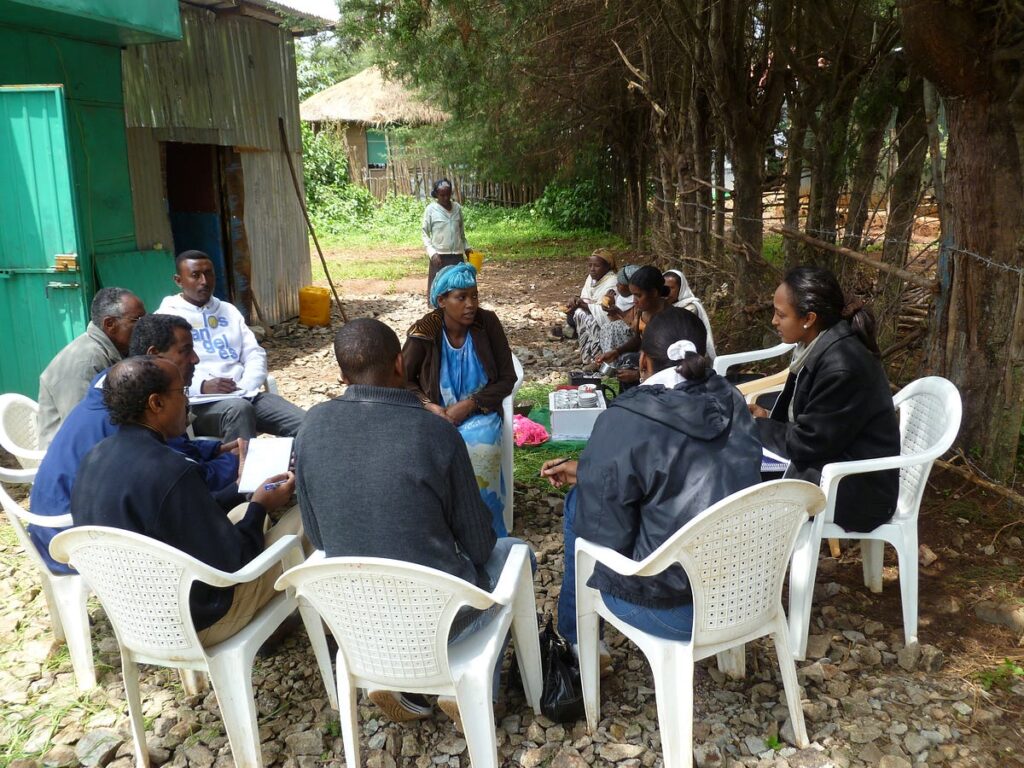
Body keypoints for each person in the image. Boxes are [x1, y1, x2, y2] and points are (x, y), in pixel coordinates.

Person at [295, 318, 533, 724]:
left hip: (357, 619)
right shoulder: (437, 434)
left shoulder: (310, 427)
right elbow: (479, 545)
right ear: (401, 365)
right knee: (519, 555)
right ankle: (476, 687)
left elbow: (317, 536)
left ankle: (393, 676)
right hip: (439, 619)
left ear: (340, 374)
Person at [542, 307, 761, 654]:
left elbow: (604, 534)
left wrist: (594, 482)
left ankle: (577, 641)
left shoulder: (627, 416)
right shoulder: (732, 398)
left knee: (576, 505)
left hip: (673, 610)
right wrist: (590, 471)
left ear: (643, 362)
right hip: (746, 593)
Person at [70, 356, 299, 645]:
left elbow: (179, 517)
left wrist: (242, 491)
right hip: (199, 620)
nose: (188, 403)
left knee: (240, 508)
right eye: (182, 393)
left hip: (134, 617)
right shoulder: (170, 468)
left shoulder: (96, 455)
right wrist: (261, 506)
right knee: (300, 519)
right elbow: (235, 562)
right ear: (156, 403)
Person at [29, 314, 244, 575]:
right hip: (78, 541)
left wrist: (216, 449)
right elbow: (188, 482)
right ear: (156, 402)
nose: (195, 359)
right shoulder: (133, 430)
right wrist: (242, 468)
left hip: (62, 530)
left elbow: (179, 454)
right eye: (185, 351)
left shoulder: (122, 392)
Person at [751, 266, 900, 532]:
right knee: (737, 460)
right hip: (832, 465)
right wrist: (763, 419)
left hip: (856, 491)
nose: (774, 321)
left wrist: (755, 427)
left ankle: (751, 560)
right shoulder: (815, 346)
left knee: (736, 470)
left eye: (781, 315)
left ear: (808, 318)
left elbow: (809, 442)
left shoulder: (842, 365)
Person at [403, 263, 517, 537]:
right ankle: (443, 532)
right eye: (461, 297)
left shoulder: (487, 323)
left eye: (474, 296)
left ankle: (487, 532)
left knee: (482, 448)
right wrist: (429, 406)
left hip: (481, 412)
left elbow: (506, 378)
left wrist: (470, 404)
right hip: (435, 414)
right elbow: (401, 380)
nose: (470, 304)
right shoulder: (424, 332)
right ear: (441, 301)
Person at [157, 250, 306, 440]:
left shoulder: (228, 310)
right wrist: (201, 386)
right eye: (195, 275)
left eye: (209, 273)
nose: (204, 281)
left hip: (245, 395)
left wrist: (246, 385)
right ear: (179, 280)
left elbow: (254, 354)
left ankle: (299, 468)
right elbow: (164, 370)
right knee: (239, 411)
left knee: (307, 423)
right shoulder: (166, 318)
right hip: (198, 404)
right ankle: (239, 469)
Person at [37, 287, 146, 446]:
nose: (144, 327)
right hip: (76, 457)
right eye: (137, 320)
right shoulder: (84, 363)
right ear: (110, 324)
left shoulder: (116, 350)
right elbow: (83, 429)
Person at [597, 265, 671, 387]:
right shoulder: (643, 310)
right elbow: (638, 340)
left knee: (629, 363)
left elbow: (668, 359)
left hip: (662, 368)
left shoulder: (668, 317)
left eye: (638, 295)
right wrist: (615, 352)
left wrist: (638, 375)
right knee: (625, 360)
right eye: (633, 295)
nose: (634, 301)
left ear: (653, 293)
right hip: (646, 359)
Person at [559, 249, 619, 363]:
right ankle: (585, 354)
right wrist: (575, 302)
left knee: (590, 320)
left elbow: (604, 309)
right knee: (578, 314)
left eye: (597, 266)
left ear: (608, 267)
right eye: (590, 265)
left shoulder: (612, 281)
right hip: (590, 312)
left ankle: (596, 359)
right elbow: (585, 298)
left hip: (606, 318)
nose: (592, 269)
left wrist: (583, 304)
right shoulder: (591, 278)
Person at [421, 179, 470, 300]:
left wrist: (467, 248)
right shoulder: (431, 209)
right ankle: (436, 313)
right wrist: (432, 253)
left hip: (457, 256)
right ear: (436, 194)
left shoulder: (457, 208)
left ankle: (455, 314)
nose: (445, 198)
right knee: (438, 290)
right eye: (442, 195)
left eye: (448, 194)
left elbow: (461, 233)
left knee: (457, 289)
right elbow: (424, 233)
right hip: (439, 257)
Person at [664, 268, 716, 359]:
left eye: (671, 288)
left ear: (681, 289)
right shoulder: (665, 306)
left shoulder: (690, 307)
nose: (667, 292)